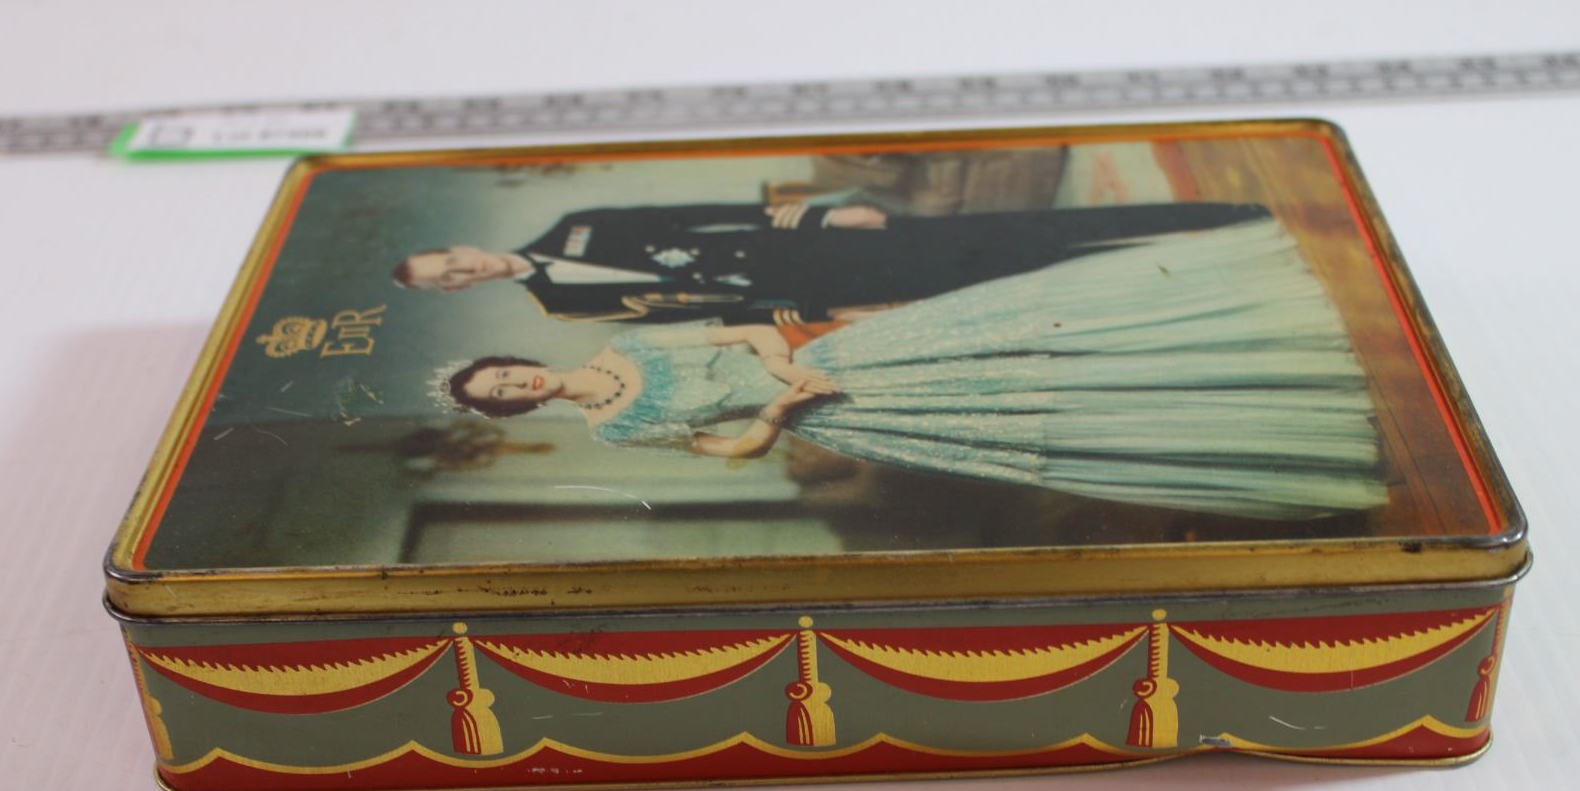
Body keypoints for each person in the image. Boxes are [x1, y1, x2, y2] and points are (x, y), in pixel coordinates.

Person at [442, 216, 1388, 520]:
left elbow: (741, 330)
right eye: (503, 398)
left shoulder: (627, 346)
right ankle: (1251, 405)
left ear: (518, 363)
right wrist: (779, 416)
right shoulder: (614, 426)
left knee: (1012, 340)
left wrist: (785, 368)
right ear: (514, 412)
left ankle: (1224, 334)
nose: (518, 386)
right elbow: (727, 453)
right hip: (843, 415)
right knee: (1021, 417)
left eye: (506, 374)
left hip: (834, 364)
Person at [396, 200, 1273, 324]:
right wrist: (821, 314)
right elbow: (702, 315)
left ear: (461, 247)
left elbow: (698, 214)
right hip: (811, 286)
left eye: (452, 260)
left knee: (1021, 232)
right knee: (1010, 280)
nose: (464, 272)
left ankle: (1214, 218)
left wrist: (820, 213)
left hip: (813, 241)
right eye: (449, 283)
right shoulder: (560, 305)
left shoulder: (578, 224)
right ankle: (1208, 270)